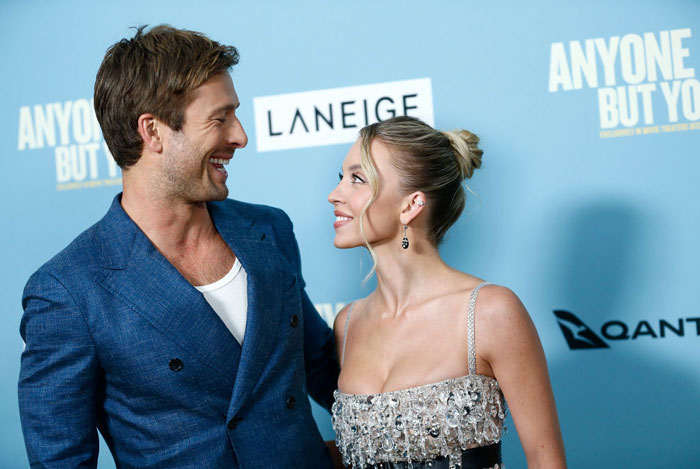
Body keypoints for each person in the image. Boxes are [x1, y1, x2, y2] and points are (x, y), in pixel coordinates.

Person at [18, 25, 338, 468]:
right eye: (219, 118)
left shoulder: (269, 228)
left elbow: (322, 366)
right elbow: (60, 459)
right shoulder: (68, 290)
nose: (240, 136)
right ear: (153, 132)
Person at [327, 116, 566, 469]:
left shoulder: (488, 312)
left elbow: (547, 461)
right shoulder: (348, 324)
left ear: (411, 205)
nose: (335, 194)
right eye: (341, 178)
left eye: (358, 179)